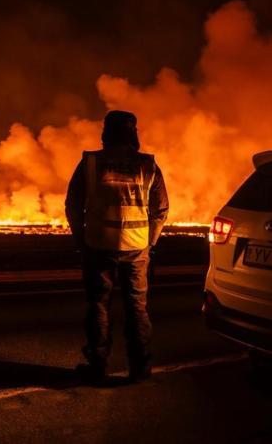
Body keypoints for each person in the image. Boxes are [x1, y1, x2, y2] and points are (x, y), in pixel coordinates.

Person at [65, 110, 169, 383]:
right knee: (137, 307)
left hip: (98, 246)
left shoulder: (90, 162)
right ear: (133, 133)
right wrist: (150, 241)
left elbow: (72, 205)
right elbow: (161, 209)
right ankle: (140, 367)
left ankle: (97, 364)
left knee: (99, 305)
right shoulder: (148, 165)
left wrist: (80, 239)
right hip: (136, 248)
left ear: (106, 132)